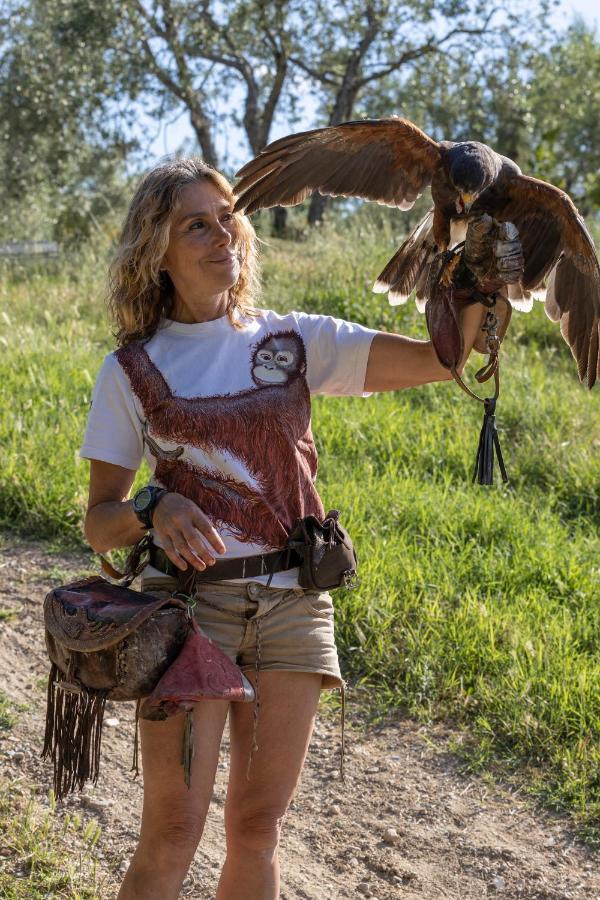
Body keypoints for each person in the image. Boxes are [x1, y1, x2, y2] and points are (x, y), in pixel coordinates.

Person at [80, 157, 487, 900]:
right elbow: (99, 525)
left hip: (296, 604)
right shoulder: (131, 369)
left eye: (227, 215)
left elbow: (440, 358)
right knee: (172, 834)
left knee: (257, 828)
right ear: (155, 250)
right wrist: (151, 507)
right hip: (189, 614)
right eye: (194, 224)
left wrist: (478, 279)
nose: (221, 234)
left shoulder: (296, 341)